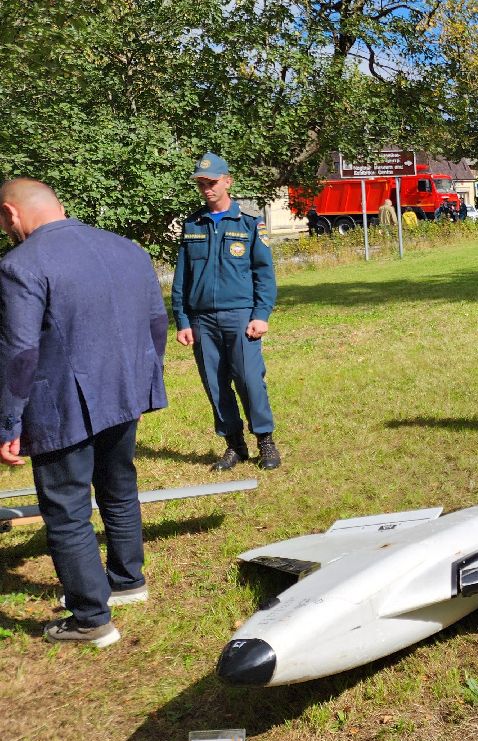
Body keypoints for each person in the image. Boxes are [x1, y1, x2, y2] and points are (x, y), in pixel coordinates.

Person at [0, 179, 168, 646]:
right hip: (123, 391)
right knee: (119, 485)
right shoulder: (126, 248)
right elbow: (157, 320)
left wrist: (8, 421)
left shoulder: (19, 265)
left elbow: (18, 351)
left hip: (61, 406)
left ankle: (91, 619)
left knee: (67, 509)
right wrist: (145, 379)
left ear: (12, 215)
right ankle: (127, 580)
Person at [172, 153, 281, 471]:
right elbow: (182, 278)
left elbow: (265, 274)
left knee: (249, 380)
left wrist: (261, 314)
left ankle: (265, 441)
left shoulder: (249, 225)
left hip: (241, 316)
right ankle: (234, 445)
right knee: (215, 383)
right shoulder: (193, 225)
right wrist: (182, 319)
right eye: (201, 184)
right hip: (202, 320)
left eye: (212, 182)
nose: (206, 189)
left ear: (227, 181)